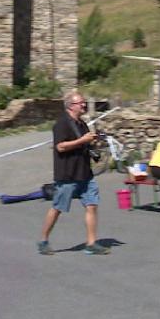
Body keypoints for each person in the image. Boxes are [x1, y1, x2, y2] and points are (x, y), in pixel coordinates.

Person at [38, 90, 110, 256]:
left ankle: (91, 243)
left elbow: (83, 145)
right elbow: (60, 147)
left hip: (85, 173)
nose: (84, 105)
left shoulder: (82, 124)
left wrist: (94, 143)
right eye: (81, 103)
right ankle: (43, 240)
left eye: (84, 102)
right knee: (58, 207)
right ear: (71, 106)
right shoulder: (61, 124)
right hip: (67, 174)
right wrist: (81, 141)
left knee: (92, 206)